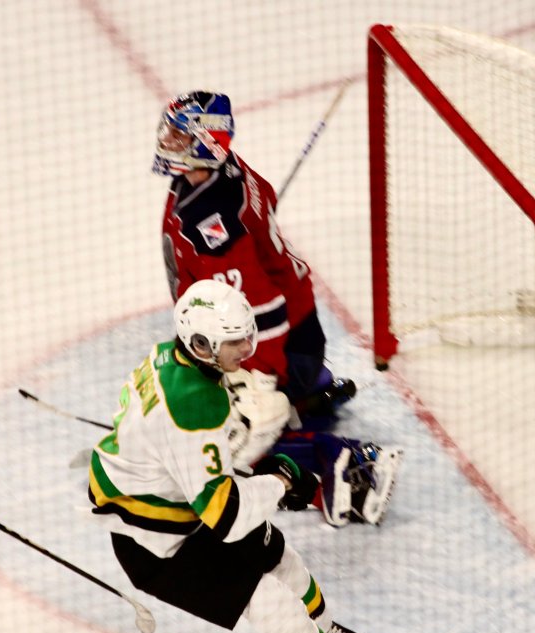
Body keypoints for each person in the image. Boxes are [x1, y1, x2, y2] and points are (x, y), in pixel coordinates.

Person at [87, 279, 398, 633]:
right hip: (157, 543)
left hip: (180, 502)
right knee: (271, 602)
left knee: (281, 558)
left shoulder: (167, 355)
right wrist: (277, 480)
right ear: (200, 342)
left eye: (245, 335)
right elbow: (226, 517)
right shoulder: (192, 408)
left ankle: (325, 631)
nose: (246, 349)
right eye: (234, 342)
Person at [153, 90, 402, 527]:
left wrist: (259, 377)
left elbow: (261, 308)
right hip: (298, 329)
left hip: (281, 341)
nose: (167, 141)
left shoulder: (217, 224)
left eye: (179, 135)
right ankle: (309, 395)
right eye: (169, 132)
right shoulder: (215, 179)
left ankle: (348, 466)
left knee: (232, 445)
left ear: (208, 143)